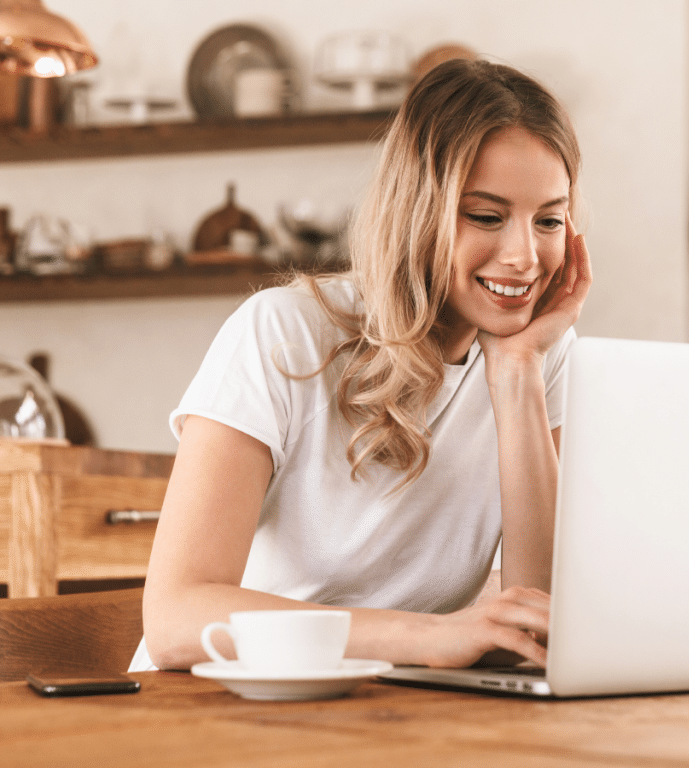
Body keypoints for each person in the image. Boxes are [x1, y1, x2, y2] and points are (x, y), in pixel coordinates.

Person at [131, 57, 592, 672]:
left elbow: (541, 623)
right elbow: (175, 619)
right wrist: (428, 638)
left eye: (549, 221)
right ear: (418, 210)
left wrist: (515, 374)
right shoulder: (282, 332)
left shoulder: (537, 355)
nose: (525, 256)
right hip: (221, 708)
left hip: (386, 715)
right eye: (485, 215)